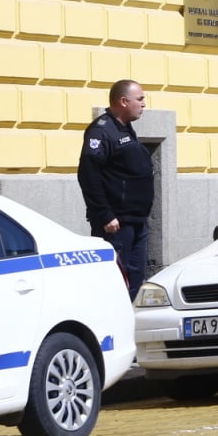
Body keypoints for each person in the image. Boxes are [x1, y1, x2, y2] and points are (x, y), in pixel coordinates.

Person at [77, 80, 154, 300]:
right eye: (139, 99)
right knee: (115, 279)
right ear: (123, 101)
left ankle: (128, 325)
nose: (144, 104)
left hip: (136, 220)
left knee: (136, 277)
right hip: (116, 224)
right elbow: (88, 175)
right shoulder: (101, 131)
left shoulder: (124, 128)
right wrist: (105, 214)